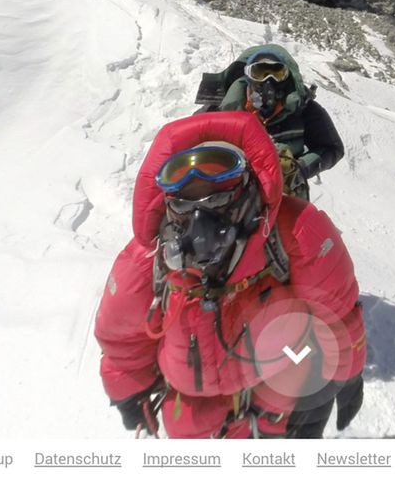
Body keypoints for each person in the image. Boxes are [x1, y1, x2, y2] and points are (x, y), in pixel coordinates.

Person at [94, 110, 366, 439]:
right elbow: (122, 339)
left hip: (278, 404)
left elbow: (336, 316)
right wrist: (127, 391)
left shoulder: (294, 232)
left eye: (218, 182)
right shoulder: (149, 258)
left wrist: (344, 374)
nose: (200, 209)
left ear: (249, 181)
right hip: (193, 420)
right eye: (184, 193)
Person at [216, 44, 344, 200]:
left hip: (286, 198)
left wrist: (299, 169)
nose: (268, 81)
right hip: (234, 202)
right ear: (247, 77)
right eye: (259, 72)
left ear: (288, 77)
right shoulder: (222, 109)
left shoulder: (304, 109)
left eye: (277, 72)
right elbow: (189, 139)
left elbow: (332, 148)